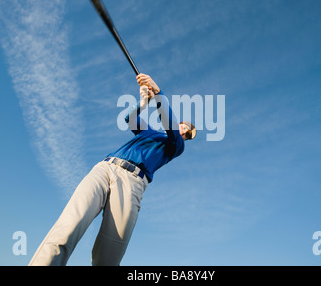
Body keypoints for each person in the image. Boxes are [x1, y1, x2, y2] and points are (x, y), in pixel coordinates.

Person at [28, 73, 196, 266]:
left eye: (187, 134)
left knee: (108, 257)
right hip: (105, 168)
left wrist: (158, 94)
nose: (184, 131)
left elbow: (171, 127)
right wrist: (143, 102)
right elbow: (129, 118)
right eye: (184, 127)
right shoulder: (150, 132)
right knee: (67, 227)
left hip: (132, 183)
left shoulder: (175, 146)